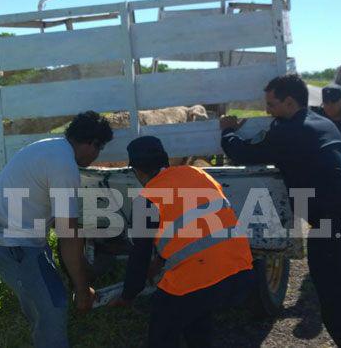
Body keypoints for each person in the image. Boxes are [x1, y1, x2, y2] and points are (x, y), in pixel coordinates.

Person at [219, 74, 341, 348]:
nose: (267, 110)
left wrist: (227, 130)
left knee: (339, 314)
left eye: (271, 104)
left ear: (290, 102)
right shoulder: (324, 124)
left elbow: (242, 153)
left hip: (334, 233)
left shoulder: (289, 133)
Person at [0, 111, 113, 348]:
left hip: (8, 229)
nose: (97, 155)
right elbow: (68, 234)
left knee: (41, 286)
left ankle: (39, 318)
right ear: (92, 144)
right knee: (53, 304)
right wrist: (81, 288)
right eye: (99, 149)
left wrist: (80, 269)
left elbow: (63, 226)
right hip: (7, 240)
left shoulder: (52, 147)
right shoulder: (64, 167)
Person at [109, 136, 254, 348]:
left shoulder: (146, 199)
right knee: (195, 313)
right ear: (165, 160)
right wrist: (160, 260)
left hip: (203, 280)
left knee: (163, 321)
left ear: (137, 171)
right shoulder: (198, 174)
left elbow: (139, 256)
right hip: (241, 272)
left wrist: (127, 295)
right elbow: (192, 230)